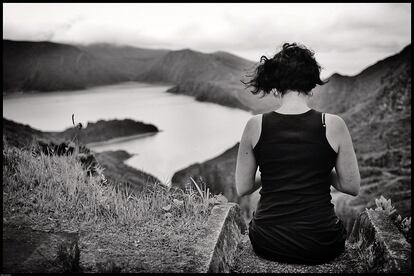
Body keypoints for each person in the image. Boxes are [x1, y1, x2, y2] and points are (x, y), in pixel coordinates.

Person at [235, 43, 360, 264]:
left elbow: (243, 187)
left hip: (267, 240)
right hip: (323, 242)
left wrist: (277, 173)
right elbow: (351, 186)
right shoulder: (333, 124)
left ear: (275, 84)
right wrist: (317, 170)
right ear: (311, 84)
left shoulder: (255, 125)